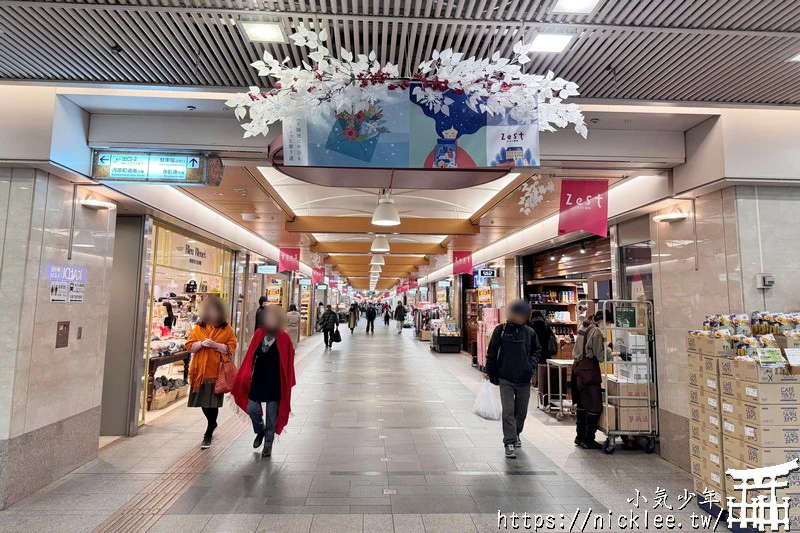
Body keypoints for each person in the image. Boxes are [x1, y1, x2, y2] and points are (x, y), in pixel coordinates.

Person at [231, 304, 296, 458]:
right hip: (258, 379)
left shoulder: (284, 338)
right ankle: (260, 430)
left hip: (275, 382)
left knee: (272, 416)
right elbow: (250, 357)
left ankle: (268, 444)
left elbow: (288, 364)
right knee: (253, 409)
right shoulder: (259, 334)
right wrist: (245, 375)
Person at [485, 299, 541, 459]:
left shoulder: (530, 332)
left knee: (521, 412)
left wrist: (530, 365)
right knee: (508, 411)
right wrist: (489, 370)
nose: (521, 318)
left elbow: (537, 350)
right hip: (506, 378)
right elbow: (492, 351)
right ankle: (509, 442)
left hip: (524, 378)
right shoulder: (501, 330)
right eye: (518, 314)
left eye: (524, 315)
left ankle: (516, 433)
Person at [186, 296, 237, 449]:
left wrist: (216, 345)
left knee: (212, 404)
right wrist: (200, 344)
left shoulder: (227, 329)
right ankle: (212, 423)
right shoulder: (199, 328)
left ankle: (208, 431)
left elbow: (231, 347)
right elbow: (189, 346)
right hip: (200, 372)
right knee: (203, 403)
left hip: (217, 371)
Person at [571, 311, 611, 450]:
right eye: (609, 323)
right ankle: (588, 440)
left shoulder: (584, 327)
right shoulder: (597, 332)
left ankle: (579, 437)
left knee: (582, 405)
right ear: (604, 321)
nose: (608, 326)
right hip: (589, 372)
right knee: (594, 406)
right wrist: (612, 353)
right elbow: (600, 356)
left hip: (577, 369)